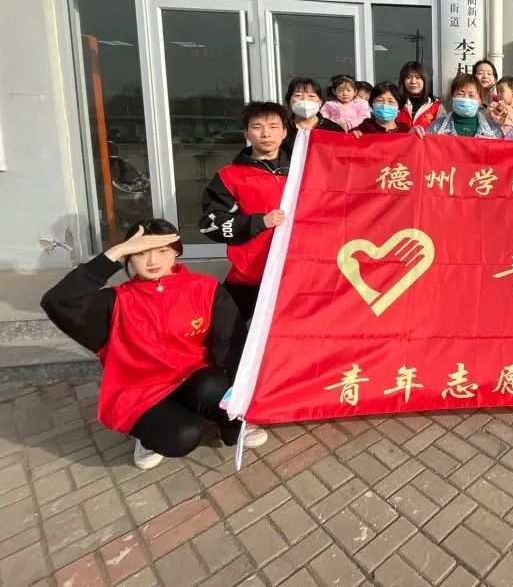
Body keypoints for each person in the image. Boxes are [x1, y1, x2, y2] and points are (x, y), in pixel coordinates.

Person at [40, 220, 266, 470]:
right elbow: (58, 301)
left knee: (214, 386)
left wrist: (234, 410)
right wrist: (114, 252)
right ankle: (150, 432)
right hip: (141, 391)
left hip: (194, 378)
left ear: (176, 252)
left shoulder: (205, 289)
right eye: (140, 253)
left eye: (162, 250)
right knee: (183, 436)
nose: (152, 261)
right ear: (128, 258)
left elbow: (231, 344)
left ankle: (225, 420)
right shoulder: (115, 302)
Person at [199, 101, 291, 323]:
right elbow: (210, 224)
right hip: (249, 275)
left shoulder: (303, 169)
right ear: (247, 133)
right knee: (227, 332)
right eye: (257, 127)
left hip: (297, 273)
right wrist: (258, 222)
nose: (266, 133)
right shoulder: (229, 176)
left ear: (284, 132)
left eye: (273, 126)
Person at [426, 74, 503, 138]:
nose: (466, 98)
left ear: (479, 101)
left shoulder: (493, 130)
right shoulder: (437, 127)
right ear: (452, 97)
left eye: (471, 95)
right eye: (460, 94)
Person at [283, 76, 344, 151]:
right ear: (289, 101)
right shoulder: (282, 128)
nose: (305, 99)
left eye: (311, 96)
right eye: (298, 95)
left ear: (320, 102)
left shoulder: (333, 129)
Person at [397, 61, 444, 130]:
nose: (413, 81)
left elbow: (443, 132)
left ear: (425, 80)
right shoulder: (396, 104)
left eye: (418, 77)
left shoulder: (436, 106)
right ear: (403, 81)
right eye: (408, 77)